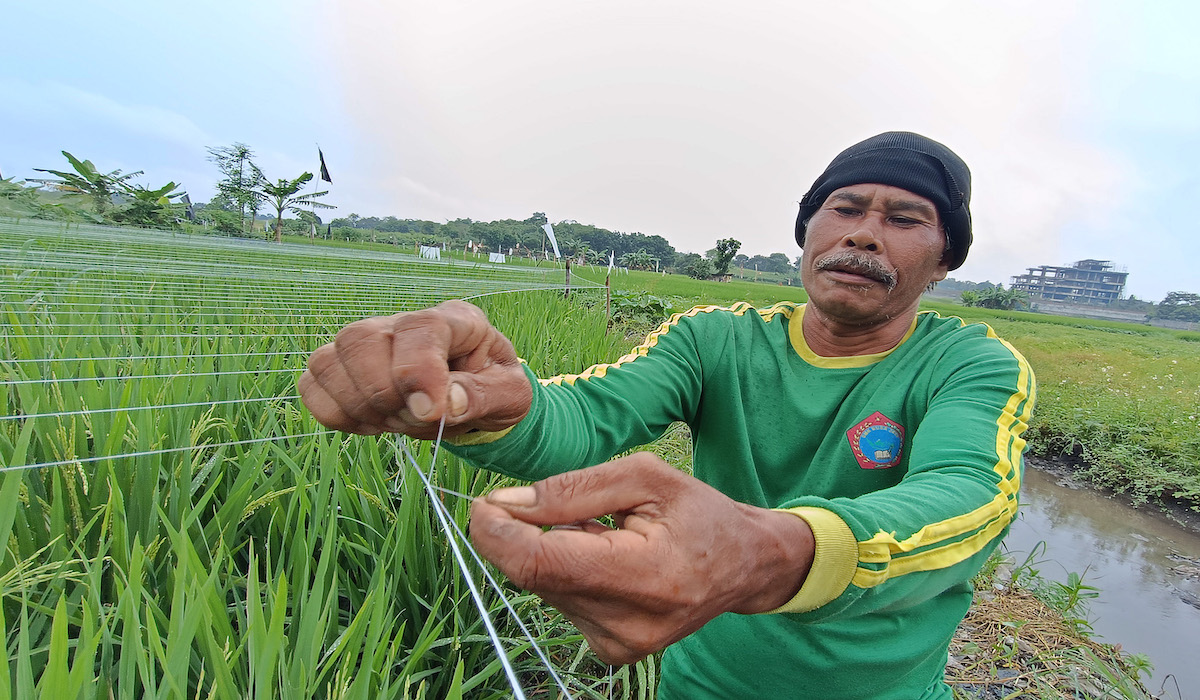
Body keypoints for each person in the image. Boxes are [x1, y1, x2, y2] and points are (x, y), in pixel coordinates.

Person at [298, 131, 1035, 699]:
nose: (865, 232)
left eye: (904, 218)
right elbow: (585, 418)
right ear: (807, 233)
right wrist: (489, 403)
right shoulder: (715, 338)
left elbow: (971, 497)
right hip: (700, 679)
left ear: (944, 262)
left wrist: (771, 550)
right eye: (844, 208)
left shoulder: (972, 363)